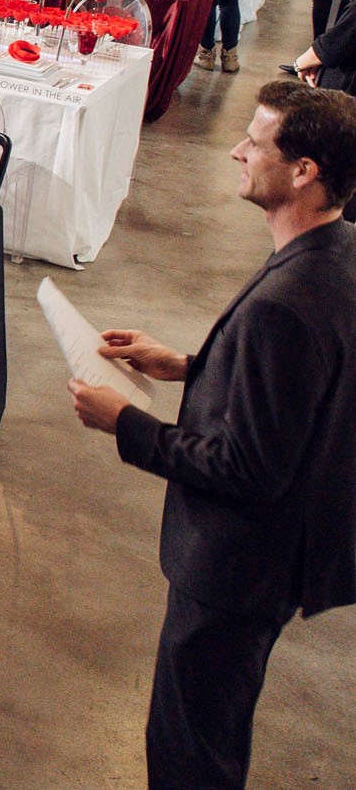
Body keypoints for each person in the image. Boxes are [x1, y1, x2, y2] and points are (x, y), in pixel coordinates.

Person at [67, 83, 356, 790]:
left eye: (255, 143)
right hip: (280, 558)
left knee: (191, 750)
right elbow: (301, 391)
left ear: (304, 171)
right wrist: (187, 366)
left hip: (238, 567)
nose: (236, 151)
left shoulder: (282, 305)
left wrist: (126, 423)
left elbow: (248, 468)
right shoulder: (338, 254)